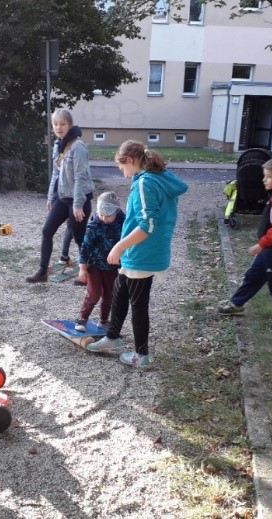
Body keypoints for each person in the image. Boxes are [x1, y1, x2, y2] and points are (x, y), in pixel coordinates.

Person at [87, 141, 188, 368]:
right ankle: (112, 338)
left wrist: (119, 246)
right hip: (144, 252)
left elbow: (147, 225)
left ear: (130, 161)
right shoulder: (159, 176)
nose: (122, 173)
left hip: (143, 253)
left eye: (121, 167)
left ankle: (142, 355)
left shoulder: (145, 183)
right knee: (120, 290)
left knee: (138, 303)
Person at [218, 156, 272, 333]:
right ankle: (237, 304)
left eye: (269, 177)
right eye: (264, 176)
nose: (264, 180)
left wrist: (261, 245)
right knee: (253, 276)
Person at [26, 109, 95, 282]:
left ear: (70, 125)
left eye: (62, 124)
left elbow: (81, 177)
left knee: (80, 238)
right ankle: (42, 272)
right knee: (47, 231)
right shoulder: (58, 145)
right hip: (62, 198)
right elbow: (55, 174)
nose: (58, 127)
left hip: (78, 199)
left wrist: (78, 204)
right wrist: (50, 196)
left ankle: (89, 274)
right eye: (55, 124)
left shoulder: (78, 147)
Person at [74, 191, 126, 332]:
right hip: (94, 264)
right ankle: (82, 318)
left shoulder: (124, 221)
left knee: (110, 294)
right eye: (101, 214)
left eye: (108, 215)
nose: (104, 218)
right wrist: (82, 268)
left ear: (116, 211)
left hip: (113, 266)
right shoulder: (95, 224)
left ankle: (103, 321)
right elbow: (85, 247)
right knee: (94, 293)